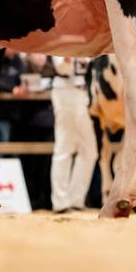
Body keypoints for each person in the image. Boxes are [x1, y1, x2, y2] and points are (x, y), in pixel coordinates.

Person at [49, 57, 97, 213]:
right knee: (64, 147)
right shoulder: (61, 35)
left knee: (90, 151)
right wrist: (71, 58)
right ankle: (60, 202)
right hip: (65, 90)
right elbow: (61, 66)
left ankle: (76, 199)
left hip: (86, 92)